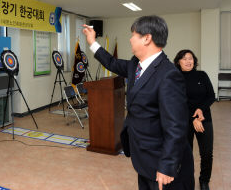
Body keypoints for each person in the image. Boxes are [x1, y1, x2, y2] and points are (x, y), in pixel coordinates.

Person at [83, 15, 194, 190]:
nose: (130, 39)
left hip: (162, 164)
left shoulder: (168, 74)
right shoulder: (136, 65)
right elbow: (111, 62)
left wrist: (167, 166)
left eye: (133, 34)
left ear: (147, 38)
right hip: (143, 157)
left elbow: (176, 127)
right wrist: (92, 41)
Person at [174, 50, 215, 190]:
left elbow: (211, 96)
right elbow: (178, 101)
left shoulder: (201, 75)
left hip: (203, 118)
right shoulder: (175, 77)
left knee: (207, 153)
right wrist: (193, 118)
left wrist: (200, 110)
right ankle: (187, 180)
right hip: (184, 120)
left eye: (190, 58)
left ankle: (204, 181)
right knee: (186, 153)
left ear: (194, 60)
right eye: (184, 58)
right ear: (178, 61)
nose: (188, 61)